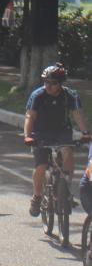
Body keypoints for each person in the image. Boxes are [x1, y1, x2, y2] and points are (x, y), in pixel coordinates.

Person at [24, 64, 91, 221]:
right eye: (46, 82)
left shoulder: (70, 95)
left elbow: (78, 115)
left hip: (62, 132)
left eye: (53, 83)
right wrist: (27, 136)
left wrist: (85, 133)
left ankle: (65, 189)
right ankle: (37, 196)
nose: (48, 86)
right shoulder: (38, 95)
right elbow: (30, 116)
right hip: (40, 133)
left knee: (68, 152)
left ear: (61, 83)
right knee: (41, 166)